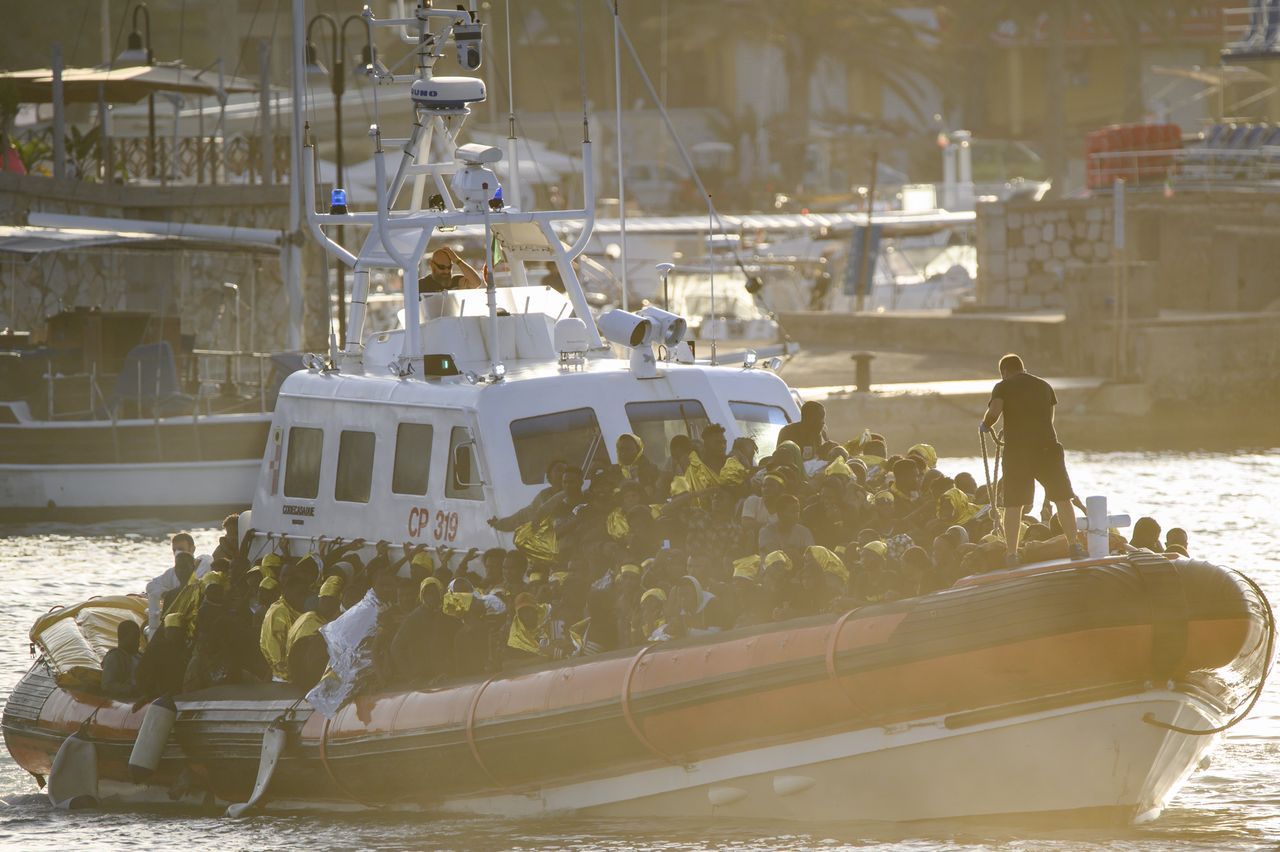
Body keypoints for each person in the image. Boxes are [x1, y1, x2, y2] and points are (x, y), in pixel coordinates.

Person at [980, 353, 1081, 562]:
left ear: (1004, 371)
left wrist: (986, 425)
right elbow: (1049, 419)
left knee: (1013, 505)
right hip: (1048, 448)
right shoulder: (1045, 386)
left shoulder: (1003, 386)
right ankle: (1074, 545)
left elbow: (994, 411)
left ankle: (1011, 554)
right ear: (1022, 368)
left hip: (1018, 452)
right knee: (1063, 498)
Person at [259, 575, 308, 682]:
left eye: (305, 594)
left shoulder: (295, 609)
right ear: (287, 591)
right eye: (299, 594)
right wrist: (289, 675)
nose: (303, 598)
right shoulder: (278, 611)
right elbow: (274, 650)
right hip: (284, 678)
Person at [101, 620, 143, 698]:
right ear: (123, 638)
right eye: (134, 638)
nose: (138, 641)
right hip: (125, 700)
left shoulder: (141, 656)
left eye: (138, 638)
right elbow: (107, 685)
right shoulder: (114, 656)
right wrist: (131, 689)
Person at [418, 246, 483, 292]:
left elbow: (476, 283)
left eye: (449, 267)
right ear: (432, 265)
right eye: (442, 267)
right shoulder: (421, 285)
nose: (446, 271)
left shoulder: (456, 281)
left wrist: (457, 260)